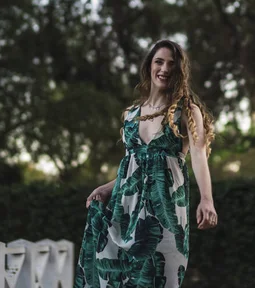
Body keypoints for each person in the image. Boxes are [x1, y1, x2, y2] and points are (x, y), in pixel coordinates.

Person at [74, 39, 218, 288]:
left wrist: (207, 199)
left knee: (162, 276)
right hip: (125, 211)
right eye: (159, 62)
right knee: (119, 278)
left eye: (171, 64)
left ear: (179, 70)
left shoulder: (186, 111)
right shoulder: (131, 114)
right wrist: (107, 188)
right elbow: (132, 166)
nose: (164, 69)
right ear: (149, 66)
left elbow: (199, 156)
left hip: (166, 211)